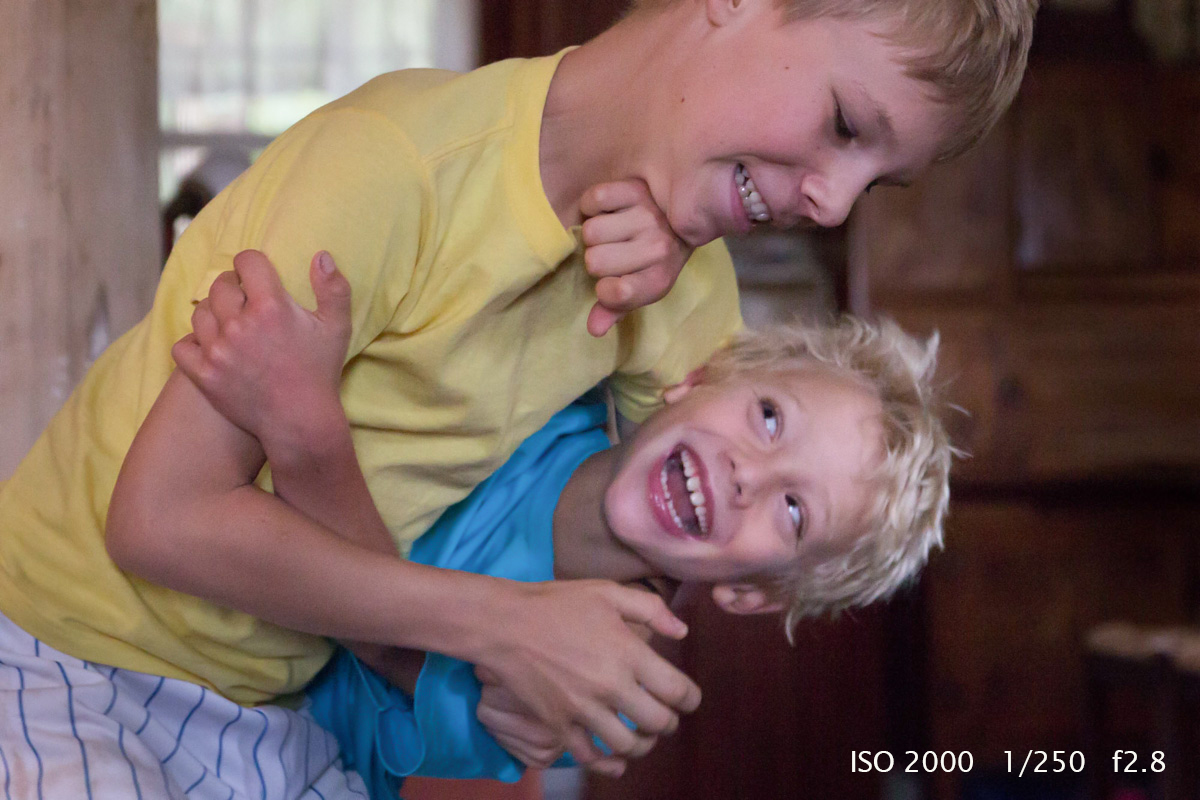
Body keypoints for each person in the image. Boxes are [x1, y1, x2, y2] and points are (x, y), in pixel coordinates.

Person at [0, 0, 1034, 795]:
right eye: (846, 122)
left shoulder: (688, 293)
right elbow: (159, 520)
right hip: (78, 641)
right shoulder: (394, 168)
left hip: (269, 712)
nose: (832, 201)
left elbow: (696, 525)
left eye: (876, 181)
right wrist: (506, 623)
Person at [170, 255, 951, 800]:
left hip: (273, 751)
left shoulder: (600, 686)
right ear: (700, 376)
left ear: (753, 591)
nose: (751, 472)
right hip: (191, 610)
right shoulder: (550, 392)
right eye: (770, 417)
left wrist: (307, 431)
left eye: (792, 512)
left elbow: (378, 637)